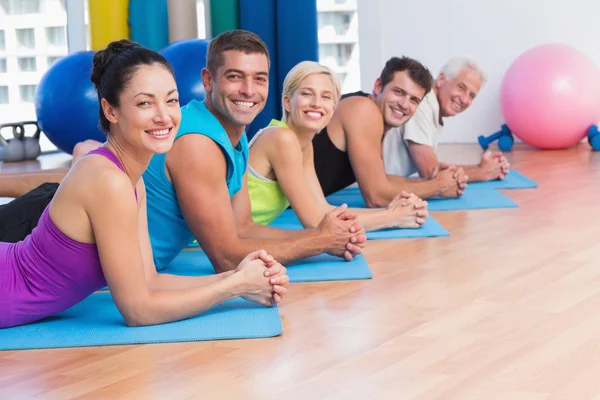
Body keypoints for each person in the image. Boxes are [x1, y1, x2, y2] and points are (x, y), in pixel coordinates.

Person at [0, 30, 366, 271]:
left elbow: (244, 228)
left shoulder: (233, 139)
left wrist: (323, 234)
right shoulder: (198, 144)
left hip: (65, 214)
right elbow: (225, 257)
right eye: (235, 76)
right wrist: (318, 241)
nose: (248, 90)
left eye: (259, 78)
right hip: (40, 229)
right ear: (207, 80)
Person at [0, 40, 289, 329]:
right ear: (110, 111)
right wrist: (236, 286)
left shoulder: (129, 179)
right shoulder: (108, 180)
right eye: (145, 103)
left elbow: (151, 281)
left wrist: (240, 275)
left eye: (172, 100)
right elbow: (138, 311)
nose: (164, 116)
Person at [247, 61, 429, 231]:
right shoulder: (281, 138)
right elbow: (315, 222)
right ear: (287, 102)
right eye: (307, 94)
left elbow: (325, 210)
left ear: (333, 109)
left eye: (326, 97)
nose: (317, 104)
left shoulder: (305, 147)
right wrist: (393, 217)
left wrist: (390, 212)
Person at [311, 56, 469, 209]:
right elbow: (376, 197)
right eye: (399, 92)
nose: (404, 104)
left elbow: (382, 180)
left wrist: (432, 179)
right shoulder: (364, 110)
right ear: (378, 86)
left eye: (414, 100)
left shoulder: (376, 118)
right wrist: (439, 186)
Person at [382, 56, 510, 182]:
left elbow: (433, 167)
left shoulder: (432, 107)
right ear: (441, 79)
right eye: (461, 87)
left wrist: (485, 167)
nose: (465, 99)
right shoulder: (422, 103)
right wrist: (482, 171)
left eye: (471, 95)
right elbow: (430, 173)